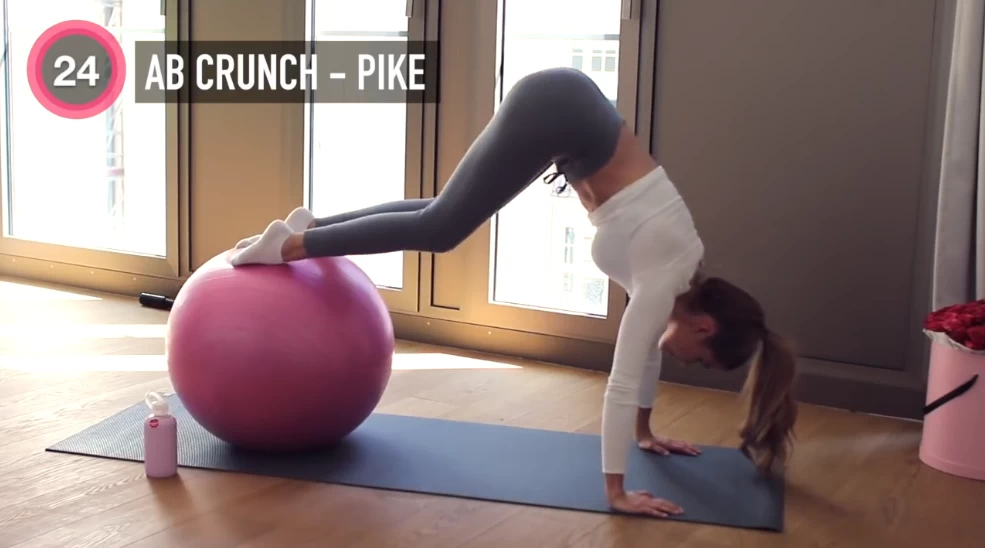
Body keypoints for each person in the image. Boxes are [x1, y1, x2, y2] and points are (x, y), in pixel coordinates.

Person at [230, 67, 798, 518]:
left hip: (567, 117)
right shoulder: (666, 274)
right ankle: (290, 247)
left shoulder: (674, 274)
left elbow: (646, 353)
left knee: (443, 214)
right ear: (705, 326)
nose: (685, 361)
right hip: (561, 111)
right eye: (699, 358)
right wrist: (616, 492)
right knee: (442, 228)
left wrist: (645, 434)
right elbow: (624, 378)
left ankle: (309, 228)